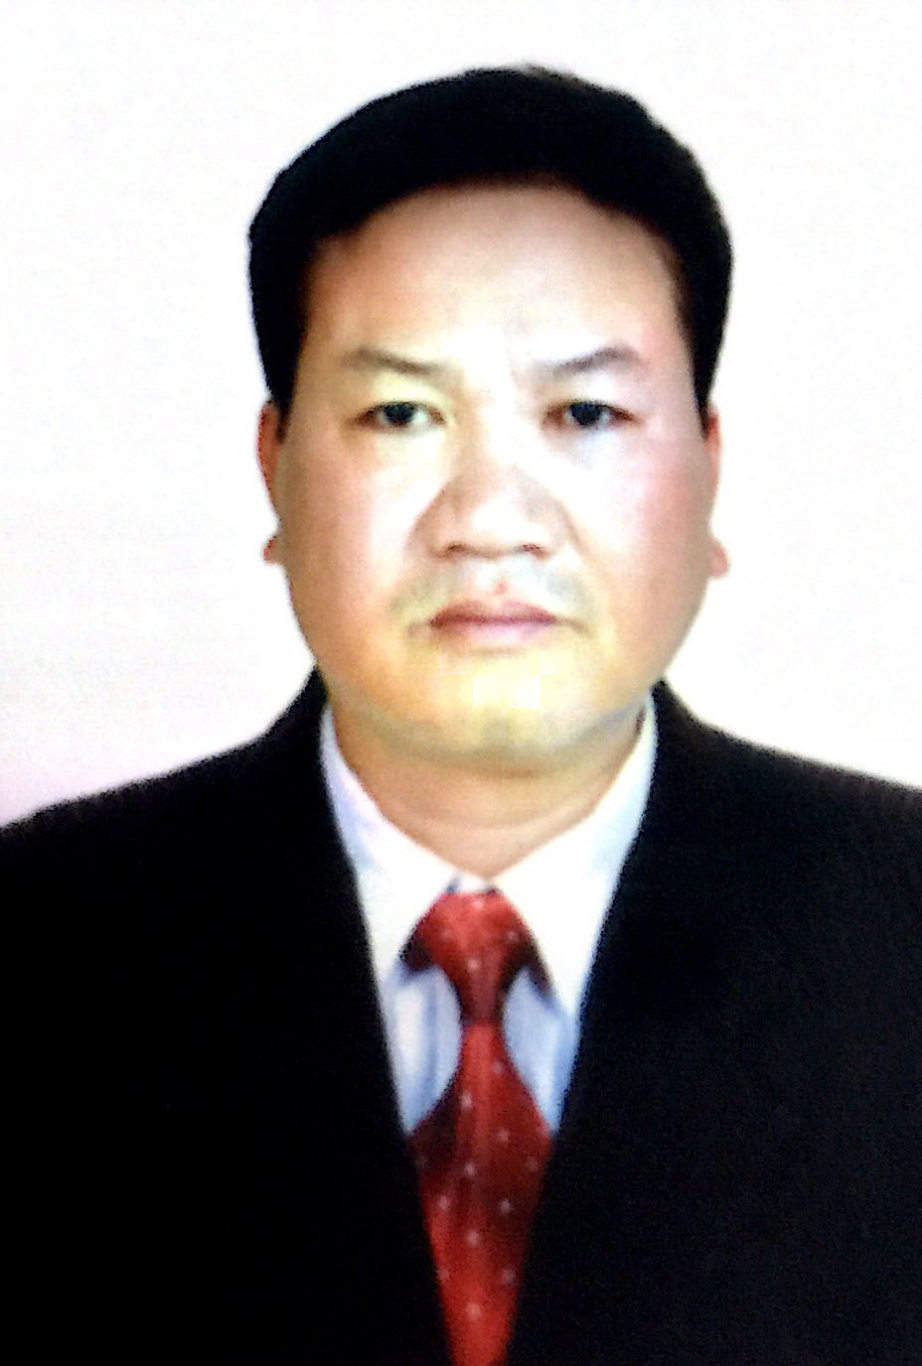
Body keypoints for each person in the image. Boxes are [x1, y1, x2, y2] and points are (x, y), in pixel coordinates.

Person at [4, 67, 920, 1366]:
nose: (491, 518)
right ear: (275, 468)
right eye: (400, 414)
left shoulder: (895, 931)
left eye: (585, 413)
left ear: (708, 471)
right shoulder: (39, 944)